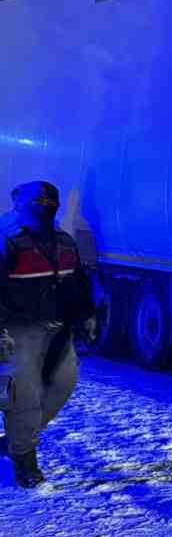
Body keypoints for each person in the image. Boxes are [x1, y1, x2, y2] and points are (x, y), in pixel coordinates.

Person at [0, 181, 95, 488]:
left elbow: (77, 285)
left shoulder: (65, 242)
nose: (46, 205)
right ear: (23, 204)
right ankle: (25, 462)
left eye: (50, 200)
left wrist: (86, 317)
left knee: (63, 385)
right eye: (39, 200)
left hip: (58, 329)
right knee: (23, 396)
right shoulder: (8, 241)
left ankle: (16, 439)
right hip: (18, 331)